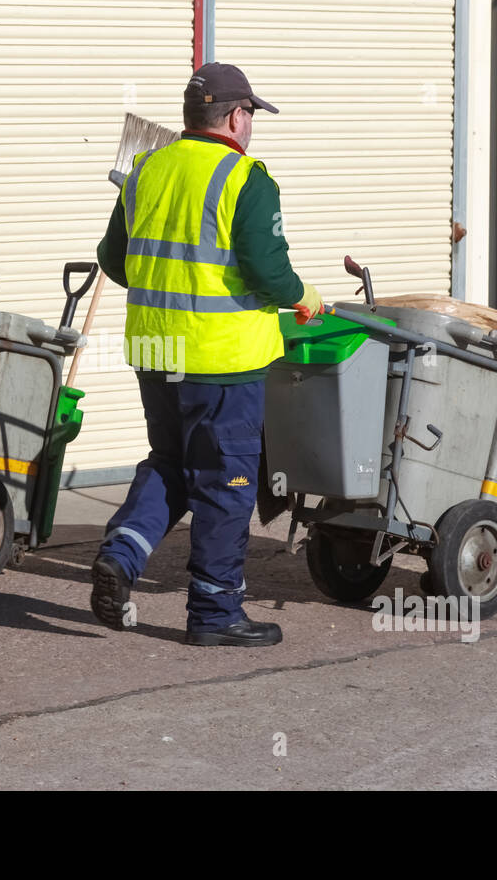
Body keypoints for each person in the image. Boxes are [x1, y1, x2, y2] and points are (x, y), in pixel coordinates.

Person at [91, 62, 323, 646]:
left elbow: (114, 261)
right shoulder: (246, 178)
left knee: (170, 462)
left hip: (154, 348)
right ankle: (216, 615)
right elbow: (268, 273)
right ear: (238, 116)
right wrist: (305, 298)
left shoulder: (148, 169)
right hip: (221, 362)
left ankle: (122, 554)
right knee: (226, 483)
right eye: (251, 117)